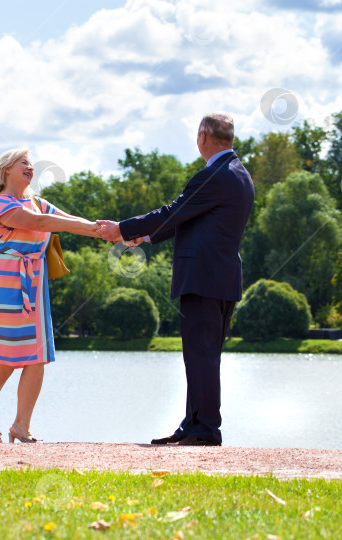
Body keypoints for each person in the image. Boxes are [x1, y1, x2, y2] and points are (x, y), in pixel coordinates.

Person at [96, 113, 255, 446]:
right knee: (203, 355)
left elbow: (173, 212)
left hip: (203, 278)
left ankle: (206, 429)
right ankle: (193, 424)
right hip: (222, 278)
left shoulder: (213, 175)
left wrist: (123, 229)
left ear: (202, 137)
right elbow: (187, 220)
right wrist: (144, 238)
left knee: (201, 355)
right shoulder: (239, 175)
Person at [0, 148, 100, 443]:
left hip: (33, 282)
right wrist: (98, 230)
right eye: (24, 163)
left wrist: (104, 229)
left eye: (31, 164)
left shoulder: (38, 202)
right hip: (2, 282)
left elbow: (69, 220)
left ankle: (21, 425)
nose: (30, 168)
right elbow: (40, 224)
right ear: (6, 170)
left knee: (37, 355)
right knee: (4, 354)